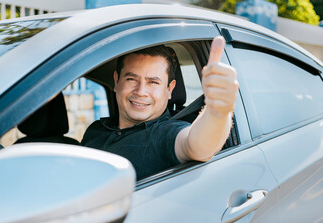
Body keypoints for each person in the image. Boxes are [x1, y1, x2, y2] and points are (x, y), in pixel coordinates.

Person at [81, 36, 238, 180]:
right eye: (131, 79)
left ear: (170, 89)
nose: (141, 91)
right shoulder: (95, 130)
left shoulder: (165, 134)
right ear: (116, 81)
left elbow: (197, 146)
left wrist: (218, 112)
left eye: (153, 82)